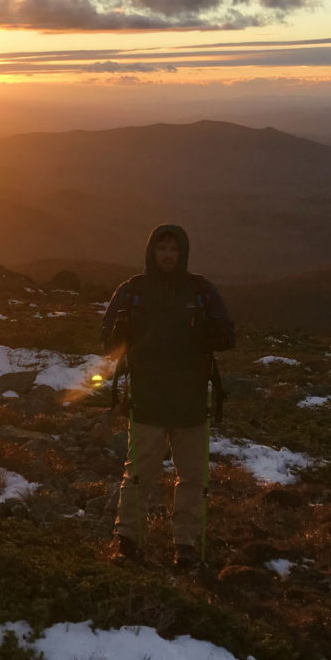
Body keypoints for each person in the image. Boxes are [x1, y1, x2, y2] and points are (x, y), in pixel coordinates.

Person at [101, 224, 234, 569]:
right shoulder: (132, 291)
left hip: (189, 400)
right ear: (151, 251)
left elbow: (227, 336)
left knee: (191, 476)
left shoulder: (200, 290)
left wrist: (212, 332)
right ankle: (128, 540)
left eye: (174, 249)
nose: (167, 255)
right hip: (149, 397)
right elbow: (108, 343)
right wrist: (120, 334)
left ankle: (185, 547)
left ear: (183, 253)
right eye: (162, 248)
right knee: (141, 473)